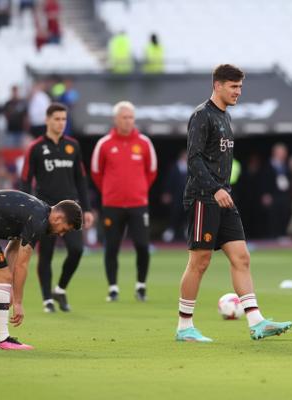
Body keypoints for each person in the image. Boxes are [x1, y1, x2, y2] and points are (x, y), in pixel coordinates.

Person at [176, 64, 292, 342]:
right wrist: (214, 189)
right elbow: (194, 159)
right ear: (217, 85)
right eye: (233, 86)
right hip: (204, 197)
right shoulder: (202, 115)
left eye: (240, 86)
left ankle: (256, 321)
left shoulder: (225, 117)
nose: (238, 91)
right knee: (200, 261)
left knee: (241, 257)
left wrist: (221, 190)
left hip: (223, 197)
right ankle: (184, 327)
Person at [0, 190, 82, 350]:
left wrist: (8, 287)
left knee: (1, 278)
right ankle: (1, 339)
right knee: (2, 277)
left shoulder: (38, 212)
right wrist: (18, 302)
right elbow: (21, 264)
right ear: (58, 218)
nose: (61, 234)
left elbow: (12, 249)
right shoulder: (38, 220)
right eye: (65, 229)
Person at [21, 103, 93, 312]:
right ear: (47, 120)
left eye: (63, 119)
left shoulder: (73, 146)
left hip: (70, 210)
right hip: (46, 210)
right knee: (46, 255)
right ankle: (47, 300)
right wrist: (27, 208)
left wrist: (87, 209)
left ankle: (60, 289)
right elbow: (25, 179)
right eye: (57, 119)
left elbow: (81, 179)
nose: (61, 123)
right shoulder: (35, 147)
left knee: (77, 250)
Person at [91, 101, 157, 302]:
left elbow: (152, 171)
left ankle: (141, 286)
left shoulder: (144, 142)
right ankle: (113, 288)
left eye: (131, 117)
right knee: (111, 247)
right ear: (116, 119)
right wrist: (110, 191)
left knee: (142, 245)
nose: (128, 121)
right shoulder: (104, 144)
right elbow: (96, 172)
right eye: (124, 117)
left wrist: (139, 190)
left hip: (138, 204)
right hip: (112, 205)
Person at [260, 143, 291, 239]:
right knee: (273, 216)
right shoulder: (268, 165)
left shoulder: (286, 165)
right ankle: (272, 236)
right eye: (280, 152)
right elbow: (264, 181)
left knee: (284, 214)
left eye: (284, 152)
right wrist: (265, 194)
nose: (283, 154)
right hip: (272, 194)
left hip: (284, 194)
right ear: (274, 152)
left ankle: (282, 235)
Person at [161, 150, 188, 243]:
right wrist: (167, 193)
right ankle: (170, 231)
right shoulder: (174, 167)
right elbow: (169, 180)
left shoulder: (191, 166)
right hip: (176, 195)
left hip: (188, 196)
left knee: (188, 214)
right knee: (174, 213)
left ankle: (187, 232)